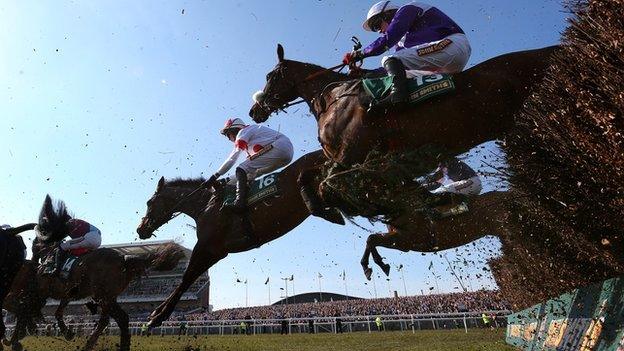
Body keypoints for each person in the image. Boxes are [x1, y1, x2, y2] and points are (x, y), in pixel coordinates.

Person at [343, 1, 471, 111]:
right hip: (444, 65)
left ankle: (397, 99)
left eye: (377, 25)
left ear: (388, 15)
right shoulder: (401, 44)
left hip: (453, 44)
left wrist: (360, 54)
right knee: (395, 73)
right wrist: (364, 73)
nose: (379, 31)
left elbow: (388, 39)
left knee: (390, 58)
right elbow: (393, 71)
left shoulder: (408, 9)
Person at [205, 118, 294, 214]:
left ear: (233, 130)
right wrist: (227, 180)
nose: (228, 138)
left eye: (227, 134)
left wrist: (215, 176)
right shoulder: (252, 140)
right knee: (252, 173)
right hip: (287, 154)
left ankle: (240, 202)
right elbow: (246, 173)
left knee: (241, 168)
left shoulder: (243, 131)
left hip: (279, 147)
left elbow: (233, 157)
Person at [36, 195, 102, 276]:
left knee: (61, 247)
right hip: (97, 240)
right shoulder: (75, 222)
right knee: (70, 246)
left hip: (89, 238)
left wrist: (57, 244)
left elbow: (61, 240)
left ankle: (57, 269)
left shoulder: (69, 224)